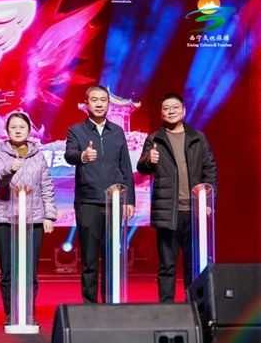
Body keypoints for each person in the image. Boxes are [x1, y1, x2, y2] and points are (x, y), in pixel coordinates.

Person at [137, 93, 217, 303]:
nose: (170, 111)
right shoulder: (155, 138)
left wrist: (209, 201)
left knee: (194, 264)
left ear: (183, 111)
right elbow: (141, 167)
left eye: (174, 107)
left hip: (194, 213)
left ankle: (195, 306)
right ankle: (167, 308)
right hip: (168, 212)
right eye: (166, 108)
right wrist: (149, 159)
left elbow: (210, 169)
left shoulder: (198, 138)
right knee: (167, 265)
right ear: (161, 113)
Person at [64, 85, 135, 303]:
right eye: (94, 100)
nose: (99, 104)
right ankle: (89, 305)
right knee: (90, 258)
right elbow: (69, 155)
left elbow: (126, 167)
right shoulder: (76, 130)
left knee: (112, 255)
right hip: (88, 202)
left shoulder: (118, 131)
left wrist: (129, 200)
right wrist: (82, 156)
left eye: (103, 100)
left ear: (108, 104)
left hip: (115, 202)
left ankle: (111, 302)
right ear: (86, 104)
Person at [0, 111, 57, 324]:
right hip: (6, 218)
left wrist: (49, 216)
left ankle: (28, 311)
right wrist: (10, 169)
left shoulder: (38, 155)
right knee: (8, 270)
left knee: (30, 270)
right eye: (13, 127)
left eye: (22, 127)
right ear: (7, 131)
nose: (18, 130)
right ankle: (11, 312)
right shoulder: (1, 154)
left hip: (33, 219)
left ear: (29, 130)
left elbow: (46, 186)